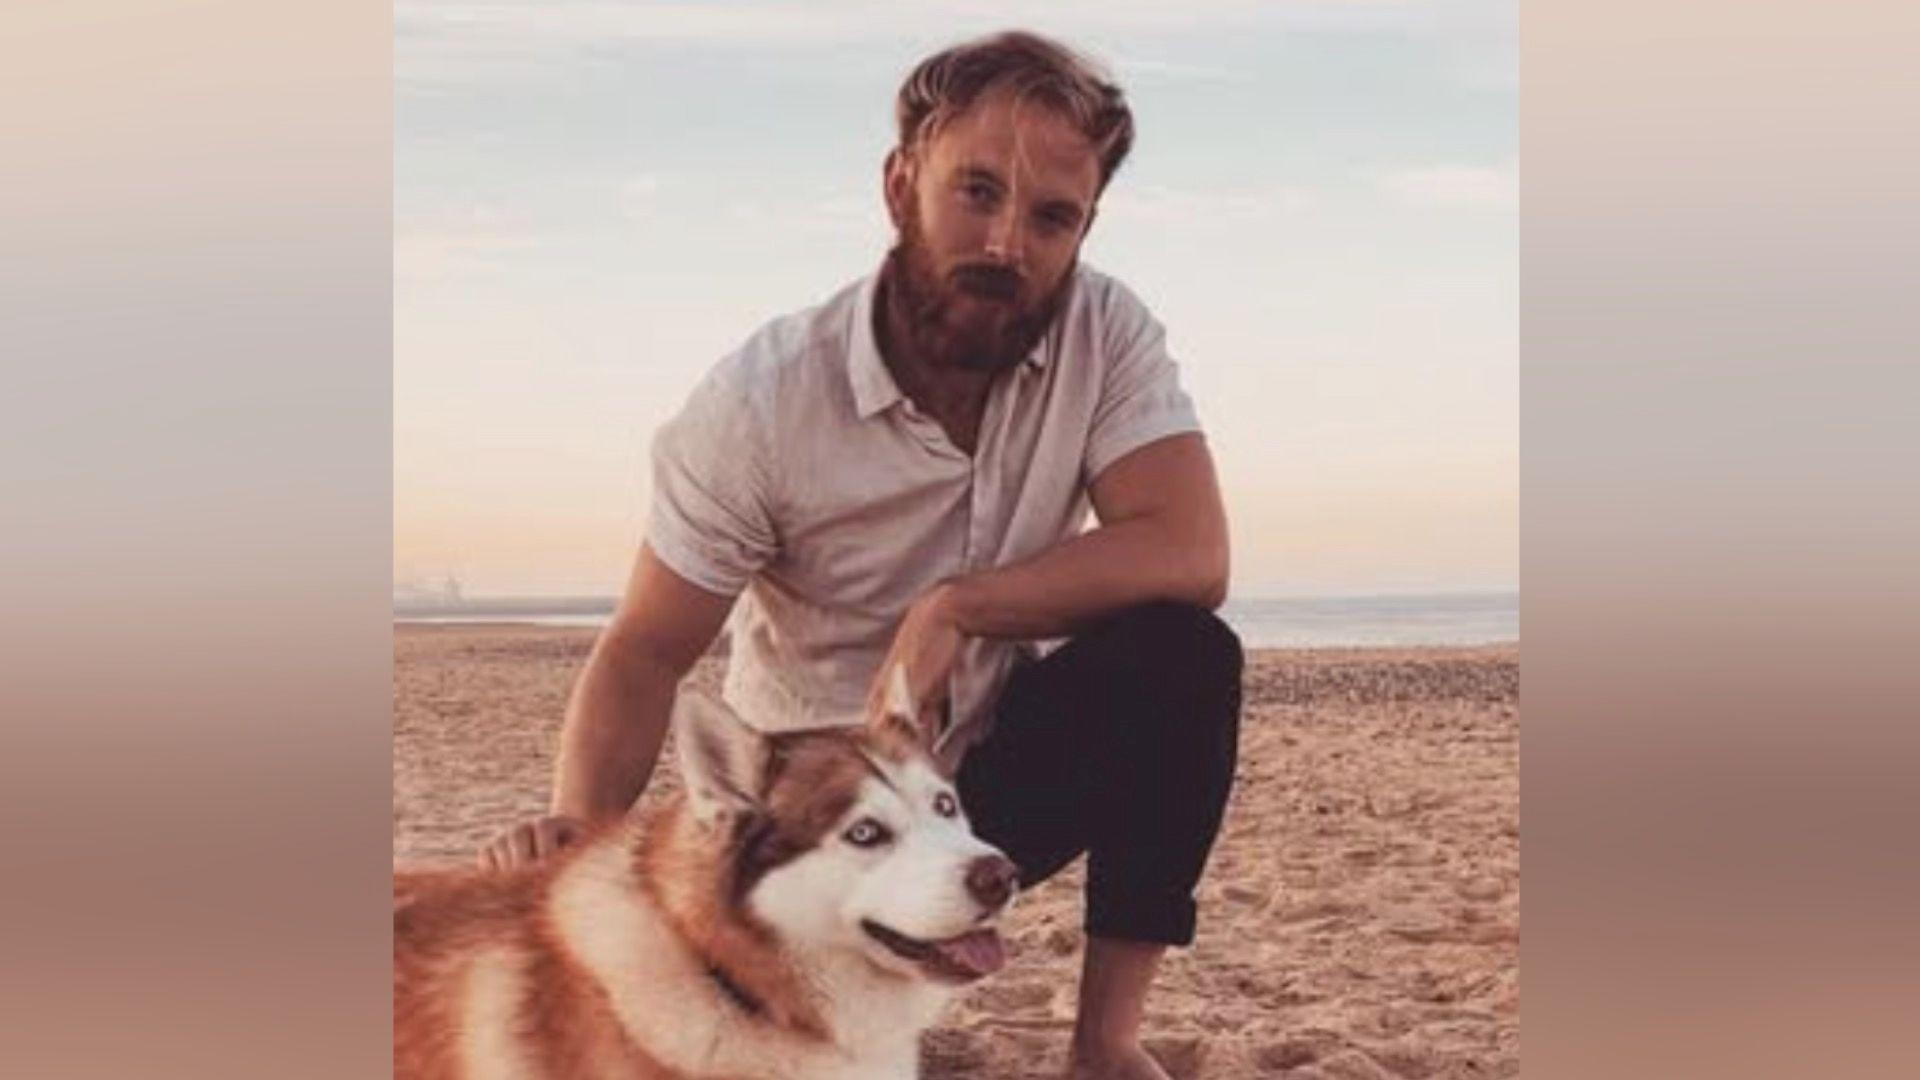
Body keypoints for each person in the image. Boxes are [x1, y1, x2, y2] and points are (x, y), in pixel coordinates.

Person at [479, 30, 1242, 1080]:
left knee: (1183, 655)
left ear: (1084, 228)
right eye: (976, 192)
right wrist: (575, 834)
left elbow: (1191, 549)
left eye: (1050, 217)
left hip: (975, 782)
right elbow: (648, 650)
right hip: (808, 813)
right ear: (901, 186)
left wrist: (955, 608)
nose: (1007, 243)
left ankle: (1104, 1047)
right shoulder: (762, 403)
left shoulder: (1104, 333)